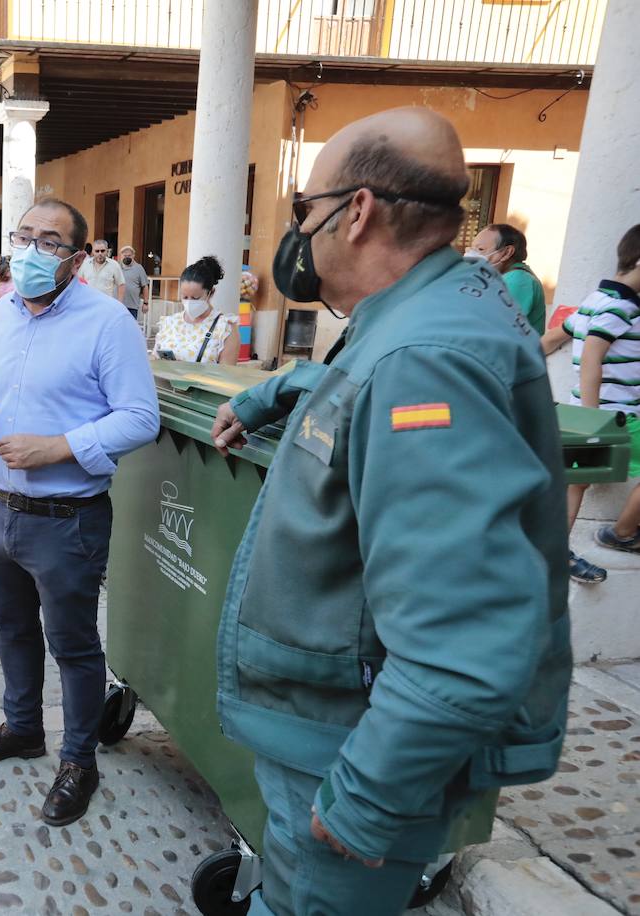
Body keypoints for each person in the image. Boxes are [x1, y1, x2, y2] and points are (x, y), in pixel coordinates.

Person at [209, 108, 569, 916]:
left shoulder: (424, 358)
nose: (299, 231)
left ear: (358, 210)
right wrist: (278, 390)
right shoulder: (425, 315)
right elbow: (363, 391)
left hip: (346, 758)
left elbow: (464, 644)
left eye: (304, 210)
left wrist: (365, 799)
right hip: (335, 738)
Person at [0, 198, 158, 827]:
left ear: (74, 258)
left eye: (48, 242)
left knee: (72, 644)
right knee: (10, 627)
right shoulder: (4, 312)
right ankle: (22, 728)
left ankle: (78, 759)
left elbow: (139, 418)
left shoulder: (107, 322)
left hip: (68, 516)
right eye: (24, 237)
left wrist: (59, 447)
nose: (31, 250)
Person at [541, 224, 640, 584]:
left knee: (575, 482)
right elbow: (593, 358)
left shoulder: (595, 300)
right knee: (574, 481)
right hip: (616, 417)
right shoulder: (622, 307)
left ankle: (557, 554)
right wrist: (592, 420)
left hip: (583, 412)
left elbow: (552, 339)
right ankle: (623, 532)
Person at [152, 256, 239, 365]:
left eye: (195, 298)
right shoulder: (169, 323)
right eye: (185, 297)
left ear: (210, 293)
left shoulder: (224, 328)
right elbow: (154, 360)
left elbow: (227, 373)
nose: (189, 302)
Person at [466, 223, 546, 335]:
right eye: (472, 249)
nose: (471, 254)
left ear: (507, 252)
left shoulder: (518, 280)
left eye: (480, 249)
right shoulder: (500, 278)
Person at [78, 239, 126, 304]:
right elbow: (79, 283)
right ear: (93, 251)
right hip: (88, 303)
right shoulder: (85, 264)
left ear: (107, 251)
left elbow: (121, 284)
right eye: (97, 251)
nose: (100, 253)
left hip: (106, 305)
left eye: (102, 251)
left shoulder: (114, 265)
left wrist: (120, 303)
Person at [118, 244, 151, 320]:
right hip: (117, 305)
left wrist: (146, 303)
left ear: (133, 256)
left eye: (129, 255)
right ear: (121, 256)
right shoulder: (116, 267)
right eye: (124, 255)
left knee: (130, 329)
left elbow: (145, 286)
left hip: (132, 306)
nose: (127, 257)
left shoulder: (139, 268)